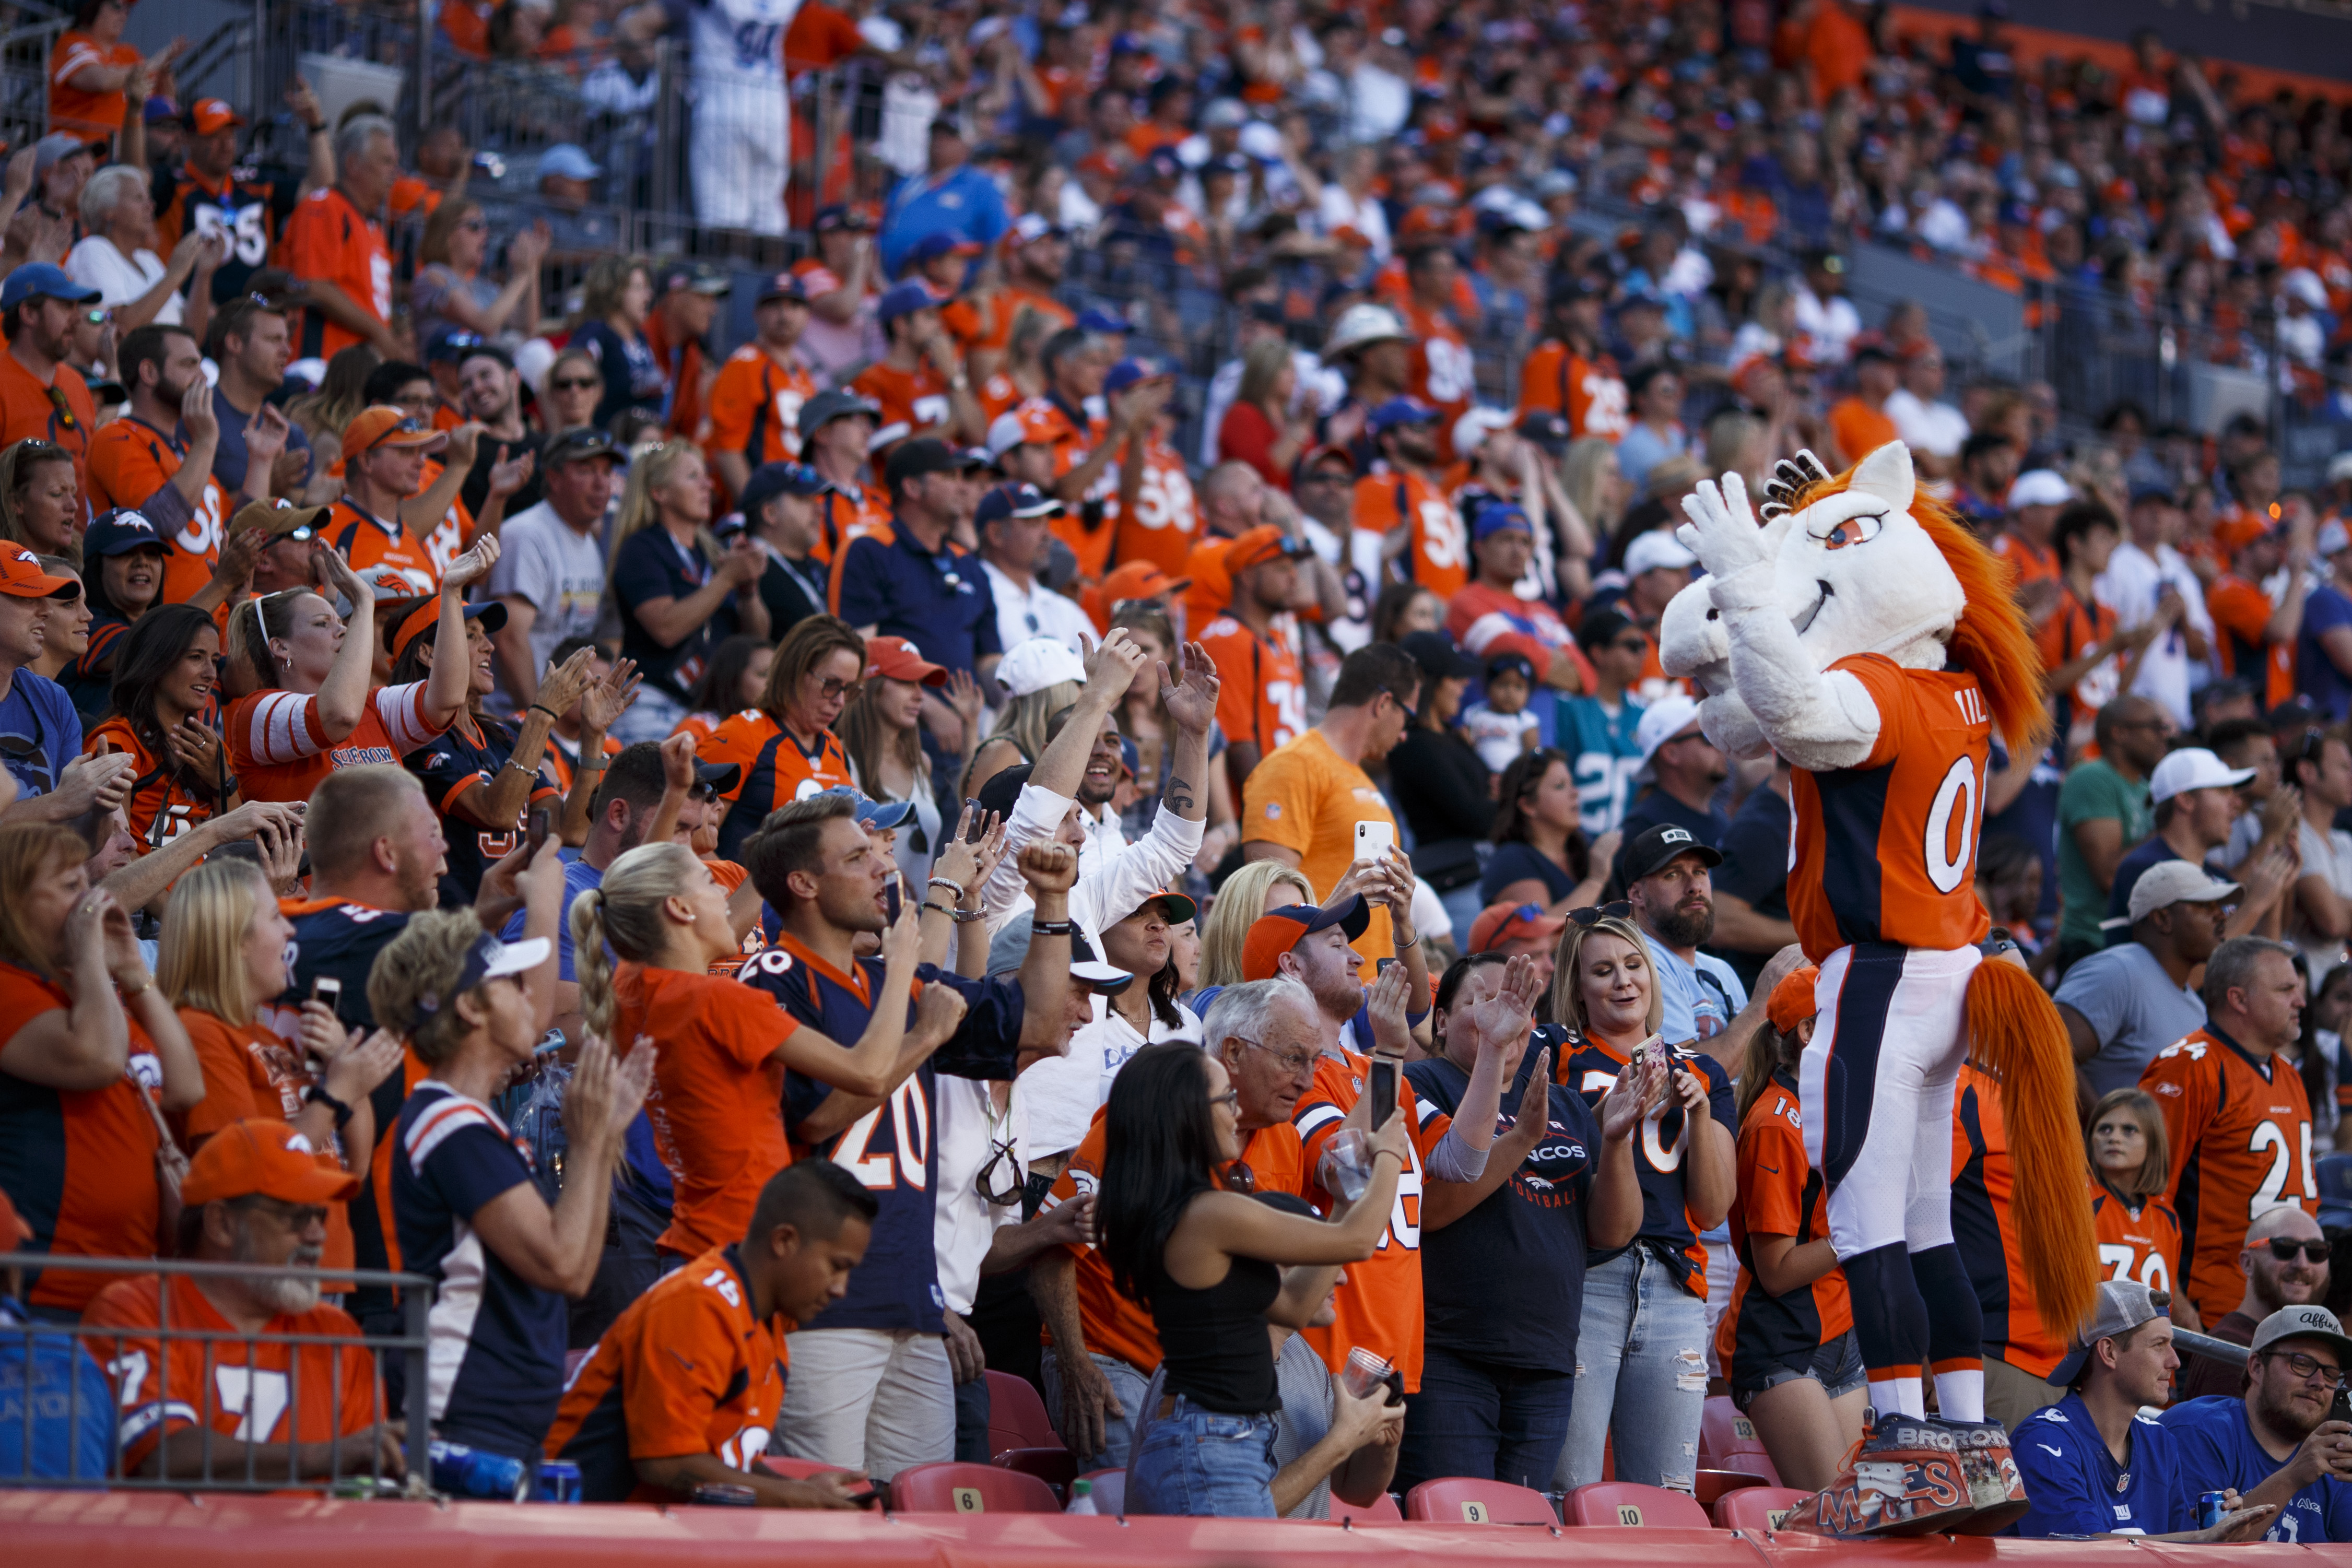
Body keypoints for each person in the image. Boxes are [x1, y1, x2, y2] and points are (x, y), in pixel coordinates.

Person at [746, 793, 1066, 1481]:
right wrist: (923, 1036)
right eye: (857, 856)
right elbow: (816, 1117)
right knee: (826, 1520)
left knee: (916, 1526)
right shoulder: (775, 975)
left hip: (913, 1302)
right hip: (823, 1302)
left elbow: (1039, 1021)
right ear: (804, 883)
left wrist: (1052, 904)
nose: (881, 868)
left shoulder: (900, 980)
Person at [570, 829, 989, 1266]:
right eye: (711, 884)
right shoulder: (717, 1000)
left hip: (696, 1238)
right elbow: (866, 1072)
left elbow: (628, 895)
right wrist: (910, 989)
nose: (726, 895)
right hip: (744, 1250)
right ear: (679, 908)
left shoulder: (633, 987)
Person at [382, 909, 652, 1490]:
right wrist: (588, 1142)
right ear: (470, 1008)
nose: (533, 999)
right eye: (509, 984)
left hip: (495, 1415)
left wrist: (602, 1140)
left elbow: (575, 1265)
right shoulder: (449, 1124)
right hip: (464, 1417)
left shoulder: (464, 1119)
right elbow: (564, 1265)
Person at [1097, 1038, 1409, 1517]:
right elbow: (1360, 1242)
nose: (1236, 1109)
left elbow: (1294, 1307)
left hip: (1223, 1437)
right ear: (1187, 1114)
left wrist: (1346, 1202)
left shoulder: (1193, 1212)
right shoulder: (1206, 1213)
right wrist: (1390, 1152)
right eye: (1225, 1099)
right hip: (1211, 1437)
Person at [1033, 976, 1316, 1469]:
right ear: (1232, 1051)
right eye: (1293, 1058)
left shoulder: (1286, 1142)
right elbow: (1050, 1251)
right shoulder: (1147, 1122)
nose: (1308, 1080)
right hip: (1109, 1359)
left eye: (1315, 1062)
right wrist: (1076, 1364)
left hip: (1203, 1373)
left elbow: (1276, 1286)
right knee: (1148, 1526)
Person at [1396, 951, 1646, 1493]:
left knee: (1522, 1531)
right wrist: (1520, 1141)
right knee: (1456, 1529)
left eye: (1519, 1003)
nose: (1504, 1013)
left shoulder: (1564, 1104)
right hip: (1451, 1354)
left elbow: (1611, 1233)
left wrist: (1617, 1140)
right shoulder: (1420, 1083)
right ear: (1440, 1021)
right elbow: (1432, 1209)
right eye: (1484, 1000)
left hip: (1546, 1359)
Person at [81, 1119, 402, 1483]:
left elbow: (363, 1477)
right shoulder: (134, 1309)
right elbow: (160, 1453)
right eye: (295, 1215)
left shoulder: (336, 1332)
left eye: (320, 1214)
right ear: (221, 1224)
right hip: (178, 1537)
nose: (317, 1234)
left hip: (311, 1538)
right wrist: (323, 1455)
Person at [543, 1160, 877, 1505]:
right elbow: (664, 1463)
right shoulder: (697, 1303)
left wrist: (807, 1491)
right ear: (784, 1241)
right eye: (837, 1267)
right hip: (565, 1521)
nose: (841, 1288)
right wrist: (793, 1497)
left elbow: (723, 1462)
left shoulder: (766, 1323)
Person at [1546, 905, 1735, 1493]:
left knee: (1666, 1495)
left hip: (1676, 1286)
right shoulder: (1554, 1052)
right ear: (1576, 990)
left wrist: (1700, 1112)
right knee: (1570, 1486)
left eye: (1634, 965)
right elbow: (1550, 1161)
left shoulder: (1703, 1070)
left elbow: (1713, 1209)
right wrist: (1609, 1113)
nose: (1624, 981)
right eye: (1602, 971)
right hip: (1585, 1279)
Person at [0, 821, 199, 1314]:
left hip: (131, 1295)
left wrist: (133, 973)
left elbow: (187, 1086)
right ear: (14, 903)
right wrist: (90, 954)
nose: (91, 901)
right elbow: (101, 1059)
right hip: (47, 1299)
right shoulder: (10, 987)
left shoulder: (93, 995)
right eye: (71, 887)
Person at [158, 855, 403, 1204]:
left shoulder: (264, 1037)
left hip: (320, 1239)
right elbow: (243, 1174)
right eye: (275, 917)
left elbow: (355, 1170)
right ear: (236, 938)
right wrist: (336, 1092)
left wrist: (346, 1074)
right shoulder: (200, 1035)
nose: (289, 929)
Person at [1715, 963, 1865, 1492]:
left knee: (1861, 1520)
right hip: (1783, 1342)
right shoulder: (1777, 1120)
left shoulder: (1835, 1107)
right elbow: (1776, 1272)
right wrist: (1861, 1232)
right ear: (1807, 1032)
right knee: (1835, 1517)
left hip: (1843, 1334)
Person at [224, 538, 487, 804]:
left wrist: (452, 592)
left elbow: (448, 698)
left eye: (340, 621)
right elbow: (339, 715)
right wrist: (363, 603)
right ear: (281, 647)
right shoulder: (256, 712)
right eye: (322, 624)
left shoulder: (374, 707)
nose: (343, 631)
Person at [2142, 936, 2319, 1329]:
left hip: (2281, 1304)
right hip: (2213, 1312)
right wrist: (2175, 1301)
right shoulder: (2188, 1067)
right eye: (2286, 989)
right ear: (2239, 999)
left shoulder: (2288, 1073)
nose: (2301, 1001)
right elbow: (2142, 1194)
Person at [2009, 1280, 2272, 1540]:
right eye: (2159, 1345)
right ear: (2109, 1352)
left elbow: (2178, 1549)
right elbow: (2079, 1552)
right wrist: (2199, 1540)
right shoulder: (2044, 1441)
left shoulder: (2159, 1441)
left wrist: (2219, 1532)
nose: (2175, 1361)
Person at [391, 597, 589, 904]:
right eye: (471, 635)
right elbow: (498, 813)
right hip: (453, 927)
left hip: (511, 923)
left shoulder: (503, 736)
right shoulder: (417, 738)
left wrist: (594, 736)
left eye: (484, 634)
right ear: (428, 653)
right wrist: (542, 715)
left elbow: (569, 829)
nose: (490, 646)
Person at [1240, 642, 1418, 974]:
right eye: (1408, 718)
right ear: (1384, 703)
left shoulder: (1358, 775)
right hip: (1315, 989)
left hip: (1366, 987)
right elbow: (1266, 901)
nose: (1406, 735)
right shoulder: (1295, 764)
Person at [87, 323, 281, 610]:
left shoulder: (188, 452)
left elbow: (237, 536)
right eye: (190, 365)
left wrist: (262, 460)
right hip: (165, 630)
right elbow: (161, 521)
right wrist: (206, 439)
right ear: (150, 372)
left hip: (214, 622)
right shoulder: (116, 436)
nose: (203, 377)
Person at [831, 441, 1001, 732]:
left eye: (963, 477)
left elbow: (988, 659)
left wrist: (1016, 701)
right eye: (949, 477)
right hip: (892, 732)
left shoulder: (968, 564)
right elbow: (857, 654)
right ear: (912, 487)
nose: (962, 487)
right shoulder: (870, 550)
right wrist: (927, 708)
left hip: (969, 732)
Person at [607, 440, 769, 743]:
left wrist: (748, 591)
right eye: (693, 477)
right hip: (653, 706)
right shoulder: (641, 548)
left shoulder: (713, 553)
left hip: (711, 709)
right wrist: (726, 579)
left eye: (706, 475)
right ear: (660, 493)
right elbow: (665, 628)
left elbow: (755, 640)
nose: (708, 484)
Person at [2160, 1303, 2352, 1543]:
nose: (2319, 1382)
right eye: (2302, 1363)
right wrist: (2293, 1476)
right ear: (2257, 1367)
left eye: (2332, 1374)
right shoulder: (2198, 1430)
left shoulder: (2336, 1458)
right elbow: (2196, 1552)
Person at [2057, 862, 2233, 1101]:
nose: (2221, 915)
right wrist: (2102, 1120)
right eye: (2205, 906)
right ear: (2162, 919)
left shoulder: (2196, 1008)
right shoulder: (2118, 971)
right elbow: (2047, 1051)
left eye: (2220, 907)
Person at [704, 614, 862, 863]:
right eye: (831, 684)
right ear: (794, 672)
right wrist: (736, 898)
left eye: (849, 689)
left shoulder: (834, 747)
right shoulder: (741, 735)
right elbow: (690, 841)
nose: (840, 701)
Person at [486, 427, 620, 709]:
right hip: (509, 715)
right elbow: (510, 639)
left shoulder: (587, 542)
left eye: (606, 472)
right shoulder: (527, 536)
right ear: (554, 479)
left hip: (557, 718)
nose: (600, 484)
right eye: (585, 470)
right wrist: (539, 723)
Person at [837, 635, 973, 891]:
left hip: (919, 919)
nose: (920, 695)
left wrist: (970, 727)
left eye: (920, 683)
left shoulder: (923, 763)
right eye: (906, 682)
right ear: (870, 686)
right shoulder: (839, 759)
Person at [2054, 696, 2168, 974]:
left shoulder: (2144, 787)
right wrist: (2168, 831)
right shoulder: (2092, 777)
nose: (2163, 735)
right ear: (2120, 733)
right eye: (2154, 727)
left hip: (2130, 944)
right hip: (2092, 944)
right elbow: (2109, 876)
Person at [2176, 1207, 2334, 1402]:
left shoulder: (2322, 1349)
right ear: (2247, 1263)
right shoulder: (2228, 1353)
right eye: (2284, 1248)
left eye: (2316, 1251)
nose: (2302, 1264)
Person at [1197, 523, 1312, 784]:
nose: (1293, 577)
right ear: (1247, 576)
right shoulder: (1226, 640)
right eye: (1282, 569)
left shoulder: (1279, 638)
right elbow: (1237, 743)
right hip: (1261, 804)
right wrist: (1269, 806)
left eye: (1293, 568)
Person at [1622, 821, 1750, 1051]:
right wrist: (1759, 1012)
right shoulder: (1636, 966)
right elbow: (1686, 1073)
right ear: (1637, 894)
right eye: (1673, 875)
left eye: (1700, 872)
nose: (1694, 887)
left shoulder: (1721, 970)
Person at [279, 116, 399, 360]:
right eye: (386, 162)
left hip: (359, 366)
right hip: (320, 366)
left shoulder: (374, 227)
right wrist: (379, 333)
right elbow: (314, 286)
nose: (393, 173)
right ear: (353, 164)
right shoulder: (324, 207)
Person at [2105, 747, 2257, 932]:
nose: (2237, 802)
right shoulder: (2146, 870)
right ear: (2185, 800)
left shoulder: (2220, 878)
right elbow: (2204, 957)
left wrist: (2277, 889)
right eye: (2223, 791)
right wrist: (2258, 903)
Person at [707, 273, 819, 498]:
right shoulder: (745, 365)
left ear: (807, 315)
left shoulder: (803, 374)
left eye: (794, 306)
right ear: (757, 313)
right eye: (775, 305)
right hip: (765, 504)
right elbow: (728, 451)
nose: (784, 315)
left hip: (791, 499)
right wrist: (754, 507)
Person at [0, 268, 102, 501]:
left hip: (78, 535)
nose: (77, 318)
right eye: (66, 306)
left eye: (77, 307)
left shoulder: (76, 382)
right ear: (28, 313)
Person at [2087, 1082, 2188, 1304]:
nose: (2113, 1138)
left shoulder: (2166, 1215)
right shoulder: (2079, 1199)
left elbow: (2173, 1295)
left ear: (2152, 1143)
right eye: (2104, 1129)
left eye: (2129, 1130)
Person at [1480, 748, 1613, 914]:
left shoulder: (1583, 848)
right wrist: (1595, 880)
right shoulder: (1511, 861)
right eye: (1560, 786)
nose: (1575, 792)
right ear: (1528, 805)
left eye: (1572, 784)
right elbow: (1541, 934)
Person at [205, 297, 313, 500]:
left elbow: (295, 522)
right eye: (274, 340)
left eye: (287, 341)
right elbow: (199, 511)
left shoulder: (291, 435)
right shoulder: (198, 417)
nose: (287, 351)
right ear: (235, 343)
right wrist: (270, 482)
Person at [1556, 607, 1649, 838]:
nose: (1642, 654)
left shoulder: (1645, 713)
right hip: (1576, 847)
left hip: (1631, 853)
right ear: (1598, 653)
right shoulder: (1566, 708)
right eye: (1632, 646)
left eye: (1643, 646)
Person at [976, 480, 1094, 658]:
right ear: (996, 533)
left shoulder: (1062, 607)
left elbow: (1102, 671)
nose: (1048, 535)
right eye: (1033, 523)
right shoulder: (973, 598)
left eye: (1046, 524)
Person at [411, 199, 546, 348]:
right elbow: (486, 325)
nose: (485, 232)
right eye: (474, 226)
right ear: (446, 235)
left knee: (537, 348)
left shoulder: (483, 285)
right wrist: (522, 275)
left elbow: (529, 329)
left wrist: (533, 266)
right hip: (449, 367)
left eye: (485, 227)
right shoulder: (433, 275)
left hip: (487, 365)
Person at [1619, 694, 1731, 848]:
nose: (1721, 742)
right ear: (1671, 753)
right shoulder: (1645, 830)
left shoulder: (1721, 818)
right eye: (1708, 735)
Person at [2286, 729, 2352, 981]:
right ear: (2308, 772)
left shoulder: (2344, 841)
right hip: (2304, 985)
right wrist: (2339, 908)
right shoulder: (2295, 835)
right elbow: (2332, 923)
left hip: (2339, 985)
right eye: (2344, 768)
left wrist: (2337, 904)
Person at [569, 255, 664, 430]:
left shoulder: (640, 338)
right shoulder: (597, 333)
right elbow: (566, 373)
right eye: (639, 288)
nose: (648, 296)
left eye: (648, 288)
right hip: (610, 444)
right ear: (614, 291)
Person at [1462, 649, 1542, 772]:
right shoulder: (1474, 713)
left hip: (1511, 778)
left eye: (1519, 687)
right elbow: (1465, 744)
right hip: (1478, 775)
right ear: (1488, 687)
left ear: (1529, 693)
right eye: (1503, 685)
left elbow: (1532, 754)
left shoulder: (1526, 721)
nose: (1510, 693)